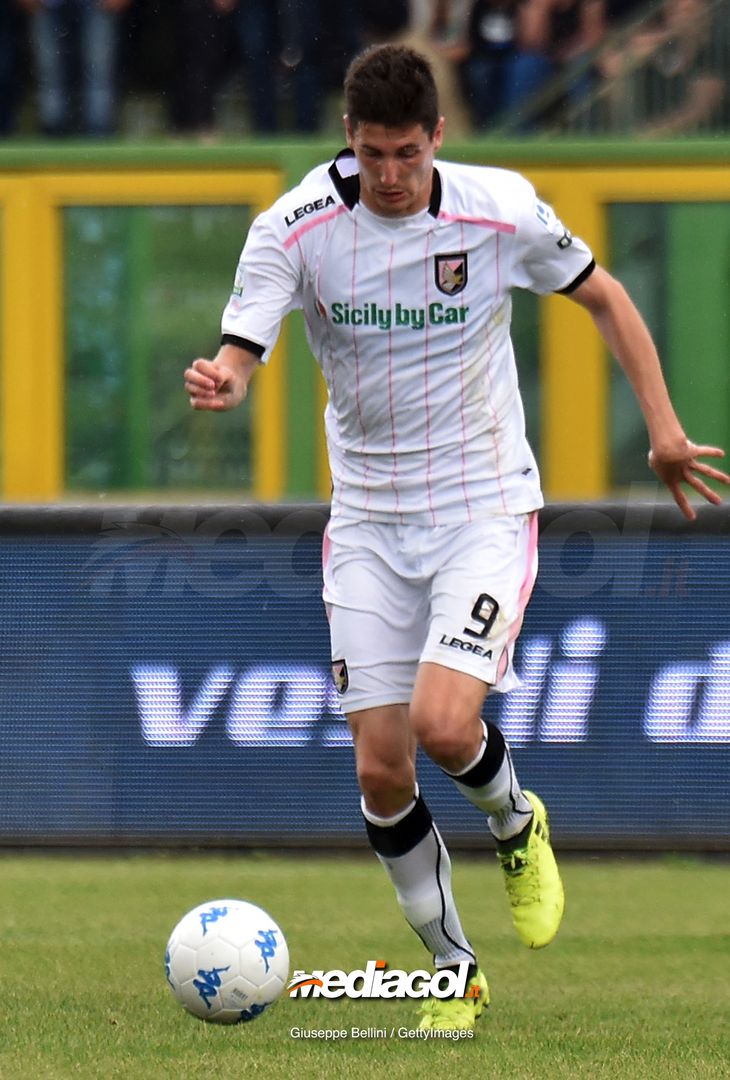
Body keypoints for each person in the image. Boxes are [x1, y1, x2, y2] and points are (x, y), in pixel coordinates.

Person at [184, 44, 729, 1032]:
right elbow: (244, 341)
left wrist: (661, 429)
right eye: (369, 154)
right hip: (367, 523)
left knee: (444, 726)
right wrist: (229, 378)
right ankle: (453, 971)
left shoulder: (500, 209)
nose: (387, 174)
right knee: (380, 767)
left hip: (483, 506)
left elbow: (604, 296)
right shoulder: (295, 229)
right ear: (346, 145)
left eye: (404, 152)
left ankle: (516, 822)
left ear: (436, 137)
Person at [19, 0, 132, 137]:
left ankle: (98, 130)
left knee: (99, 68)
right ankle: (53, 130)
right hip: (47, 4)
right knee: (49, 70)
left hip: (97, 5)